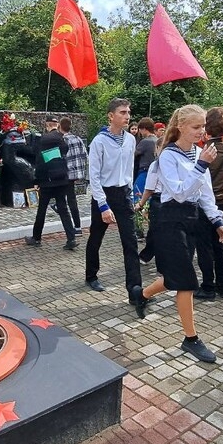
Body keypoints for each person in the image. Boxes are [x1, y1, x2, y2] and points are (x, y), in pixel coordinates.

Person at [132, 105, 223, 364]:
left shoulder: (200, 153)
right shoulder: (168, 156)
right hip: (169, 219)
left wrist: (217, 220)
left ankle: (140, 295)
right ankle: (191, 338)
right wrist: (200, 166)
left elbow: (205, 193)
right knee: (186, 280)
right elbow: (177, 192)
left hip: (192, 219)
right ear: (180, 127)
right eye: (196, 127)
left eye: (203, 127)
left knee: (176, 275)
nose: (202, 132)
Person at [85, 98, 140, 299]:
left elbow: (129, 170)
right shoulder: (99, 141)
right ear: (111, 116)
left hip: (123, 194)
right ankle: (91, 275)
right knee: (96, 237)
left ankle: (135, 289)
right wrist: (102, 205)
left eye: (128, 112)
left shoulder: (131, 140)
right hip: (104, 195)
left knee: (130, 241)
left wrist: (131, 196)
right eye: (122, 113)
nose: (127, 116)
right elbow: (95, 176)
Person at [195, 107, 223, 301]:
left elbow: (202, 177)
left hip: (207, 203)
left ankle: (208, 286)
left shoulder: (206, 151)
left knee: (204, 247)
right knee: (220, 245)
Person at [25, 116, 77, 250]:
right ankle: (71, 238)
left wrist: (36, 180)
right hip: (62, 179)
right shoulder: (61, 139)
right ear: (57, 125)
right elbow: (64, 152)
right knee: (63, 209)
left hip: (47, 181)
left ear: (47, 125)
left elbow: (39, 162)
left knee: (42, 210)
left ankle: (36, 238)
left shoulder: (42, 140)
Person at [60, 116, 87, 235]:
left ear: (60, 126)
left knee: (70, 200)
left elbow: (62, 157)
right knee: (72, 199)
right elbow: (85, 155)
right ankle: (77, 226)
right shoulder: (78, 138)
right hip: (77, 173)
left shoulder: (63, 140)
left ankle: (76, 227)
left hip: (66, 173)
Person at [133, 117, 158, 200]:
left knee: (137, 194)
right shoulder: (157, 140)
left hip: (144, 172)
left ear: (144, 129)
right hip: (155, 173)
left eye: (140, 129)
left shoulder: (146, 141)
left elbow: (133, 154)